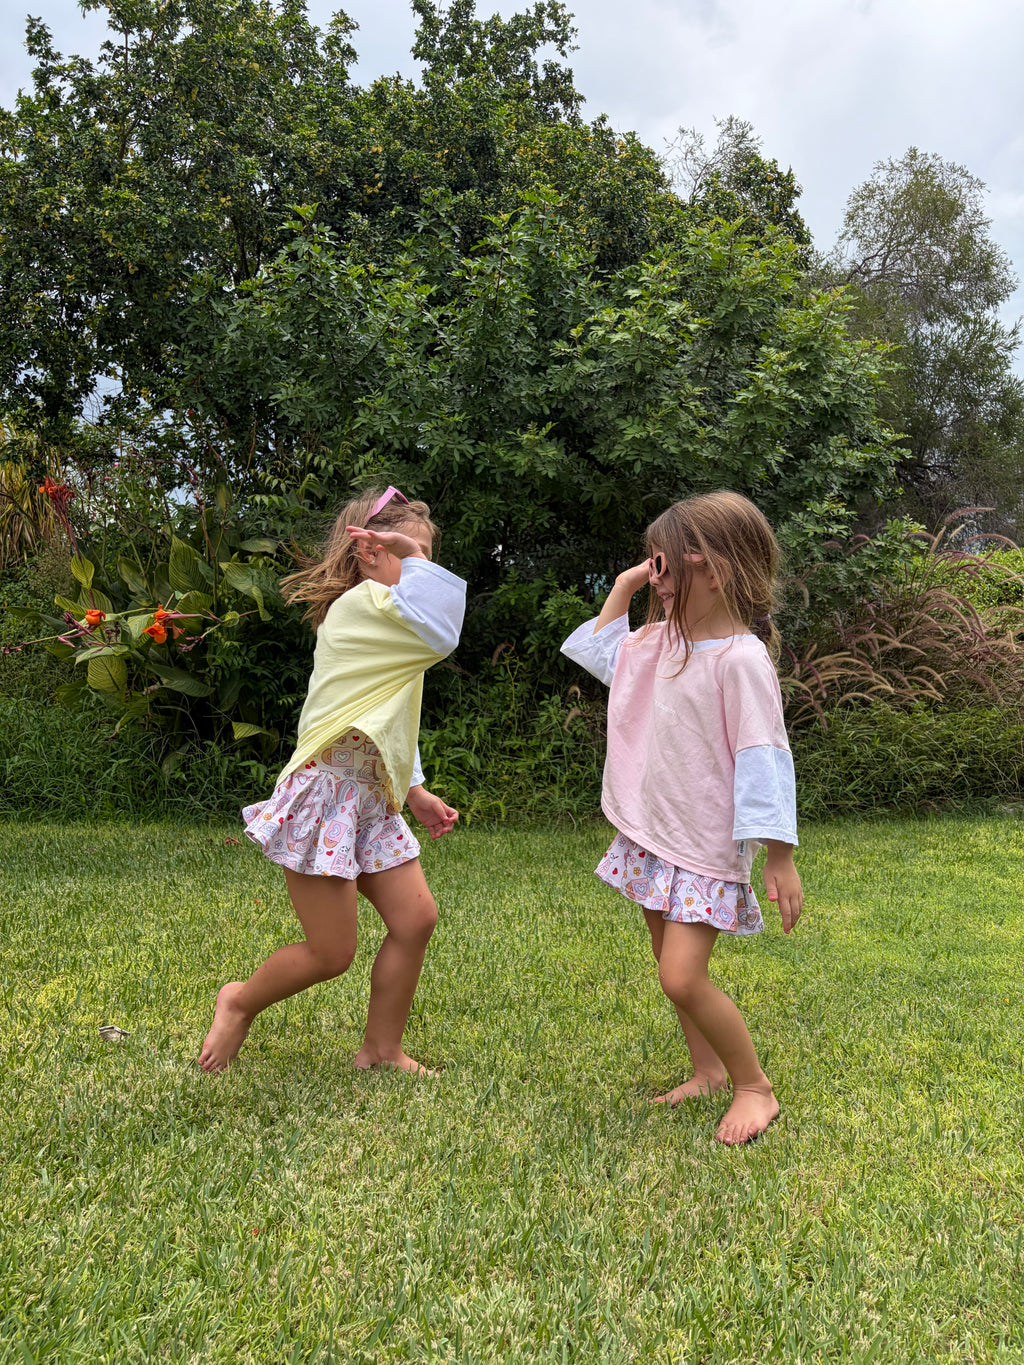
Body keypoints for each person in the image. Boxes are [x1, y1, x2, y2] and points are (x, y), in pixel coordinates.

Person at [561, 490, 803, 1145]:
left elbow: (763, 758)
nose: (656, 579)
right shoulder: (661, 643)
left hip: (702, 845)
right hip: (656, 834)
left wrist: (779, 855)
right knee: (668, 966)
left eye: (664, 565)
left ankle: (754, 1086)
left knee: (681, 975)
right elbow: (601, 652)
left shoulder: (741, 660)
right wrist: (625, 585)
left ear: (713, 570)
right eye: (652, 565)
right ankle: (707, 1070)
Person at [199, 486, 465, 1075]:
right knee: (330, 953)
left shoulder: (393, 620)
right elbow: (444, 633)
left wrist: (414, 789)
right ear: (370, 552)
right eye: (411, 554)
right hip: (326, 795)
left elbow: (388, 715)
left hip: (370, 798)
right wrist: (414, 563)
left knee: (415, 919)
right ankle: (238, 1001)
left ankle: (381, 1049)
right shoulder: (363, 608)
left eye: (427, 556)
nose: (423, 568)